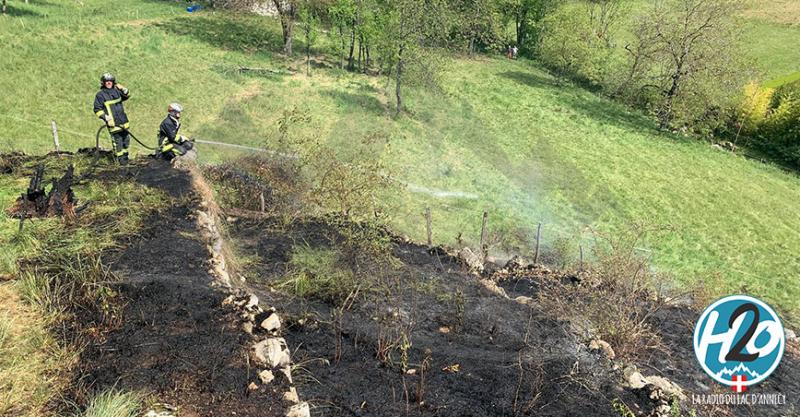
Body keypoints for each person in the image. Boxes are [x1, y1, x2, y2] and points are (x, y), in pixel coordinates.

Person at [93, 73, 131, 164]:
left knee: (126, 140)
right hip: (113, 123)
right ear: (103, 83)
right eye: (107, 82)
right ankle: (119, 161)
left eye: (110, 81)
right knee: (118, 143)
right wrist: (106, 118)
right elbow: (97, 109)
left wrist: (122, 88)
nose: (109, 83)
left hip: (123, 122)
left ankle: (125, 158)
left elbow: (126, 95)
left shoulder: (117, 91)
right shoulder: (100, 95)